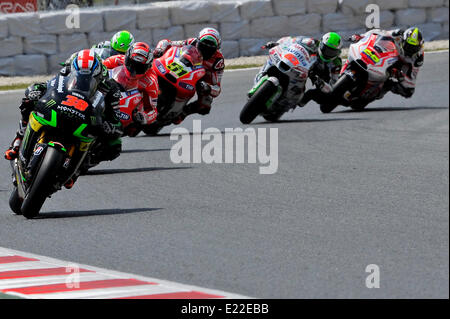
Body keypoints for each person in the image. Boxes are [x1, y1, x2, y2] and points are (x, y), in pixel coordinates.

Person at [4, 49, 123, 188]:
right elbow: (50, 85)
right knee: (27, 103)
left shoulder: (111, 87)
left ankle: (76, 170)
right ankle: (19, 138)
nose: (84, 79)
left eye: (88, 77)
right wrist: (36, 90)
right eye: (80, 75)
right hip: (60, 107)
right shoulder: (66, 71)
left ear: (98, 74)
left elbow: (116, 117)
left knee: (112, 144)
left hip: (87, 119)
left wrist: (111, 125)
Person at [154, 27, 225, 123]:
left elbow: (217, 88)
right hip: (183, 66)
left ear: (216, 49)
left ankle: (183, 113)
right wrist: (160, 49)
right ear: (198, 41)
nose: (206, 50)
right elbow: (168, 43)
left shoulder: (218, 61)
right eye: (204, 45)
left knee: (205, 105)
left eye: (210, 48)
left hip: (201, 78)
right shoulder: (192, 42)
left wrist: (207, 87)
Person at [261, 32, 343, 108]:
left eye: (332, 52)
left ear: (338, 52)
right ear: (321, 44)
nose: (328, 54)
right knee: (275, 57)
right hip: (302, 66)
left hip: (320, 77)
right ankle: (263, 74)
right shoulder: (311, 42)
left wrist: (321, 83)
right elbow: (291, 41)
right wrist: (277, 44)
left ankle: (303, 98)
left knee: (328, 97)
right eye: (326, 49)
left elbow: (333, 85)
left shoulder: (336, 64)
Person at [349, 27, 424, 99]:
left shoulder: (418, 59)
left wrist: (402, 78)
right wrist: (361, 36)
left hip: (401, 65)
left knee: (406, 90)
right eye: (408, 46)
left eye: (413, 48)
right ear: (403, 40)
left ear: (419, 47)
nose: (410, 50)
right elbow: (378, 32)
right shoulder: (398, 34)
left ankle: (375, 92)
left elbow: (411, 81)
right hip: (391, 54)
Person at [103, 41, 158, 127]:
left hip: (130, 107)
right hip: (113, 89)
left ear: (147, 67)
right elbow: (100, 70)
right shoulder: (116, 59)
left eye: (139, 68)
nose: (133, 71)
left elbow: (153, 110)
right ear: (126, 58)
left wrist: (143, 117)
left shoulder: (151, 80)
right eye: (131, 64)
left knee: (131, 129)